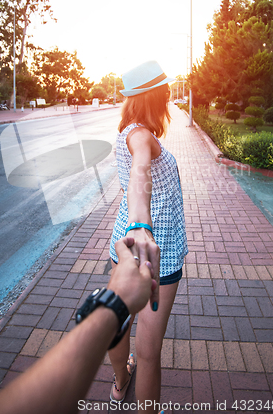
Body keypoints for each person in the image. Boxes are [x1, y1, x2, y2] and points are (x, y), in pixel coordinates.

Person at [0, 236, 160, 414]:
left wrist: (114, 306)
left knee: (129, 334)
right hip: (162, 246)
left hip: (126, 240)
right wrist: (115, 306)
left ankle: (120, 384)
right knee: (149, 348)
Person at [108, 60, 188, 411]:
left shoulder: (128, 130)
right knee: (149, 350)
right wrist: (143, 224)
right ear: (154, 97)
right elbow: (141, 171)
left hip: (124, 245)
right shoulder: (142, 137)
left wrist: (134, 227)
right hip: (158, 249)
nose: (170, 96)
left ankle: (120, 383)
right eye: (166, 91)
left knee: (120, 322)